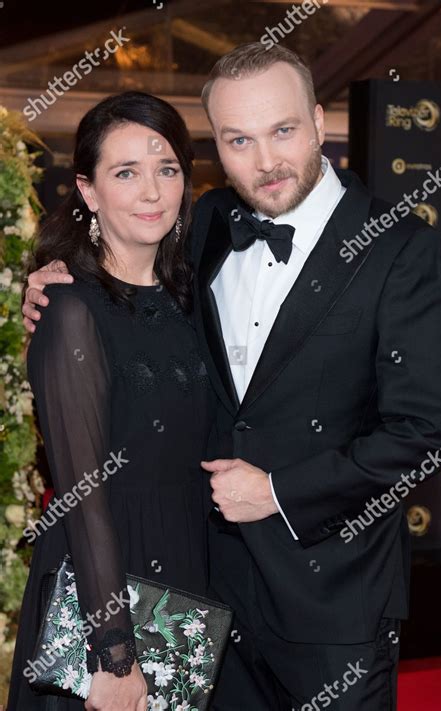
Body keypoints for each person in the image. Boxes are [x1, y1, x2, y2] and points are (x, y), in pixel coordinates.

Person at [23, 44, 441, 711]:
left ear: (318, 123)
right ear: (217, 148)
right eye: (239, 140)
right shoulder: (207, 226)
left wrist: (279, 492)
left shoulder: (399, 249)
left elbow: (428, 433)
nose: (265, 161)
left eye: (282, 130)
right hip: (205, 606)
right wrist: (52, 291)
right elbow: (123, 310)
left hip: (332, 611)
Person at [9, 91, 215, 711]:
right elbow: (83, 491)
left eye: (166, 169)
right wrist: (114, 651)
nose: (151, 192)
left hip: (188, 577)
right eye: (125, 173)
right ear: (88, 190)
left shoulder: (192, 297)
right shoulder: (68, 307)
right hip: (105, 584)